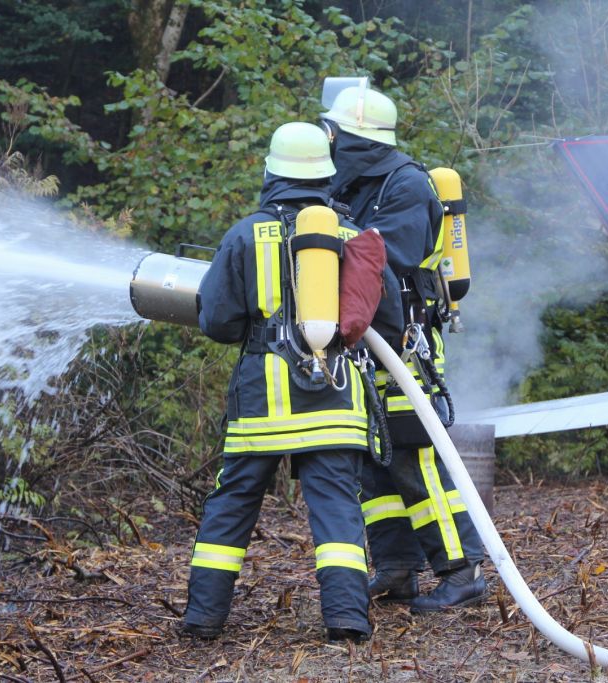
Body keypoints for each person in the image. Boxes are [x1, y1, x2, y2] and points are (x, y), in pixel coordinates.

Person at [181, 121, 402, 641]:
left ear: (271, 173)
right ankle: (347, 618)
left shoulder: (244, 235)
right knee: (338, 509)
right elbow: (386, 319)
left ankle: (203, 619)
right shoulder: (351, 235)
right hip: (334, 399)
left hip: (263, 403)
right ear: (327, 175)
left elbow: (217, 321)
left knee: (232, 506)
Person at [320, 82, 488, 613]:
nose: (328, 142)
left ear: (355, 138)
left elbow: (381, 261)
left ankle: (462, 570)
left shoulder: (407, 186)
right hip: (361, 348)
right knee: (375, 462)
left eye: (334, 132)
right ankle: (397, 569)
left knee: (416, 459)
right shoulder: (347, 185)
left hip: (404, 346)